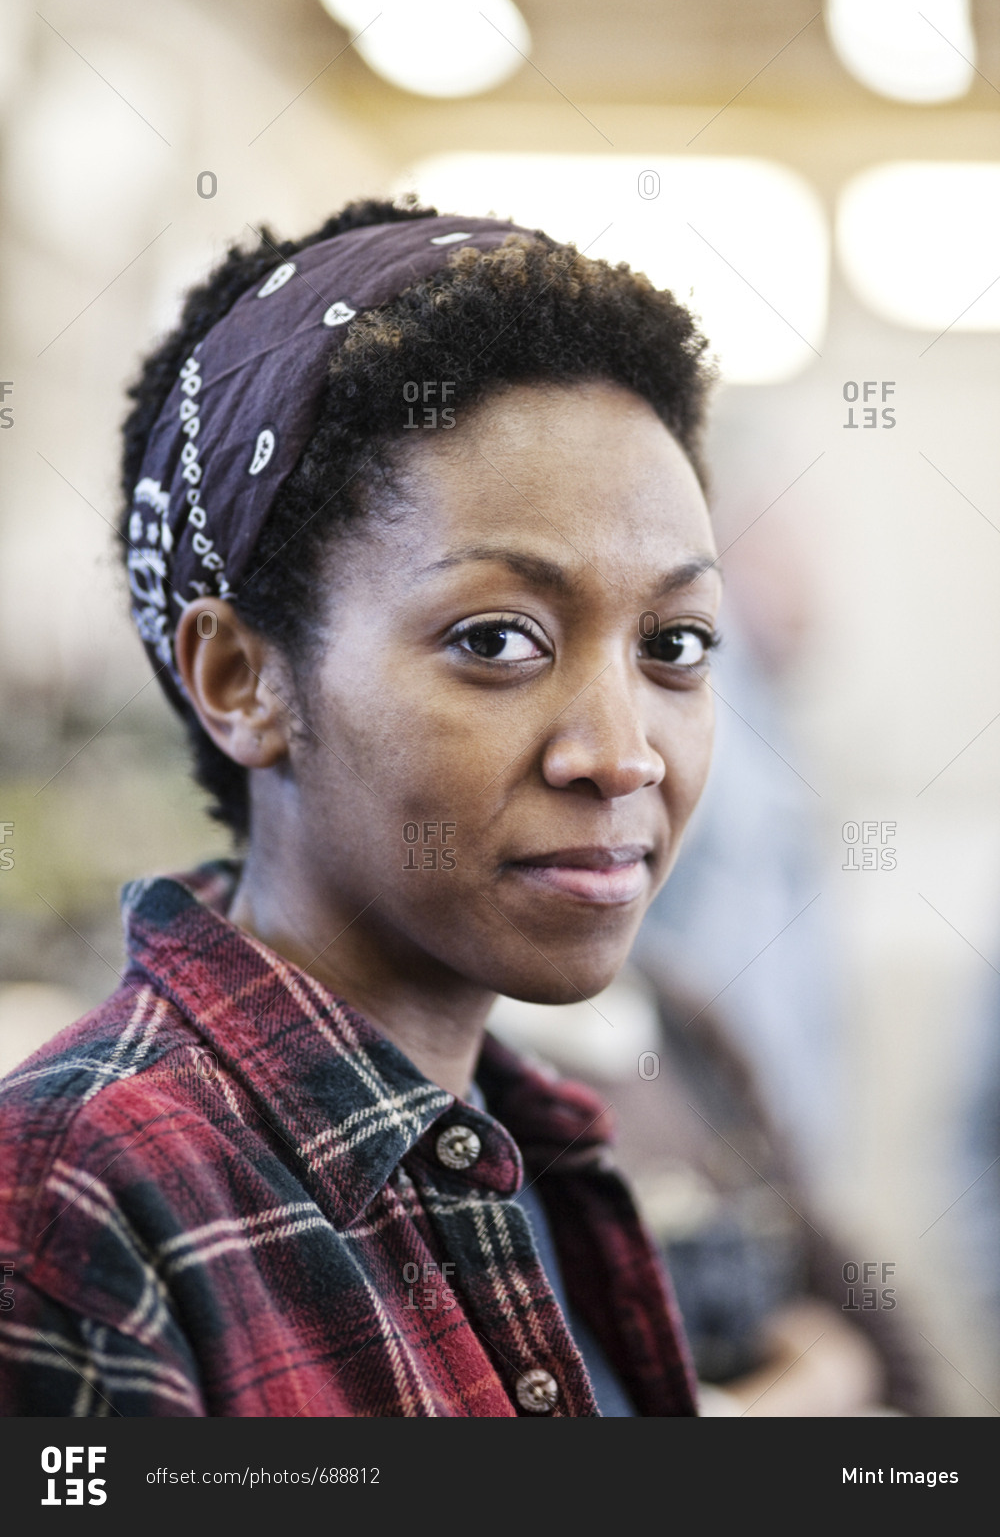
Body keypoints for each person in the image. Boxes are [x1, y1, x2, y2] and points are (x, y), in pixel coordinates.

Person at [0, 198, 722, 1416]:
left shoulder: (537, 1152)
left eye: (674, 643)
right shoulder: (75, 1211)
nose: (621, 756)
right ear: (242, 681)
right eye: (497, 639)